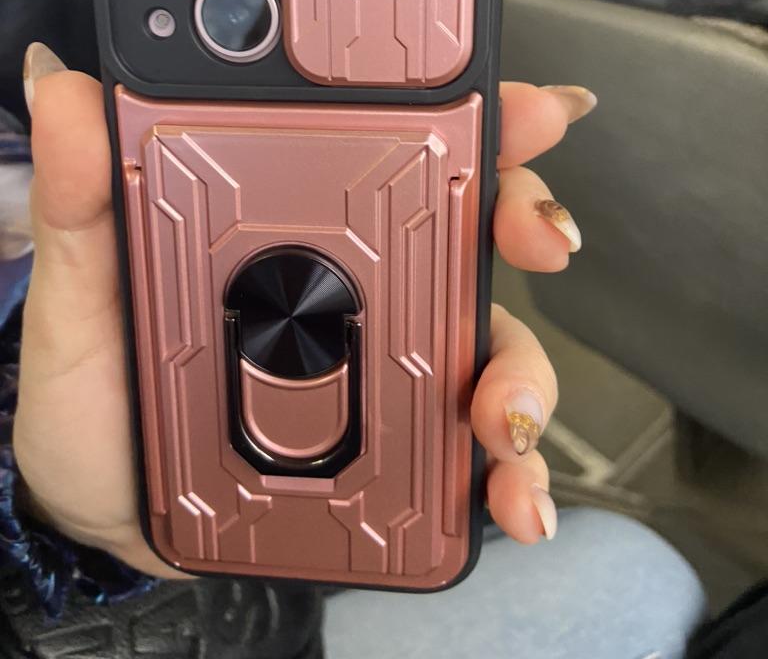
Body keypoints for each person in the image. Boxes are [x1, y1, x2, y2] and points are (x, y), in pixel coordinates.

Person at [0, 43, 707, 657]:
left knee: (628, 568)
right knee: (641, 575)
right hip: (215, 607)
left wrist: (58, 524)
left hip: (206, 596)